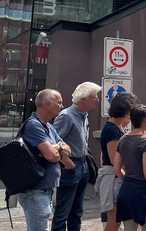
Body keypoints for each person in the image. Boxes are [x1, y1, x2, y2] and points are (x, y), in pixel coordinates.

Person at [19, 89, 72, 231]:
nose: (62, 106)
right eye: (59, 102)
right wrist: (56, 149)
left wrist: (56, 148)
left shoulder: (48, 126)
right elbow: (51, 156)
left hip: (44, 190)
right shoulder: (33, 125)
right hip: (35, 190)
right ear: (48, 104)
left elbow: (67, 150)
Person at [52, 81, 101, 231]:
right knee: (63, 211)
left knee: (77, 211)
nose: (97, 100)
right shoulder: (66, 116)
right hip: (70, 167)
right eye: (94, 96)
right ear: (83, 99)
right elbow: (52, 142)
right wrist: (66, 160)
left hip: (82, 165)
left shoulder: (84, 116)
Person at [114, 105, 146, 231]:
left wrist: (126, 180)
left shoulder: (122, 140)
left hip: (127, 189)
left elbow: (116, 168)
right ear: (145, 120)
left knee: (129, 228)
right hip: (144, 190)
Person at [97, 92, 138, 231]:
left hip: (116, 176)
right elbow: (116, 160)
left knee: (117, 220)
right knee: (114, 221)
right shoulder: (111, 130)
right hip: (114, 177)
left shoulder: (117, 127)